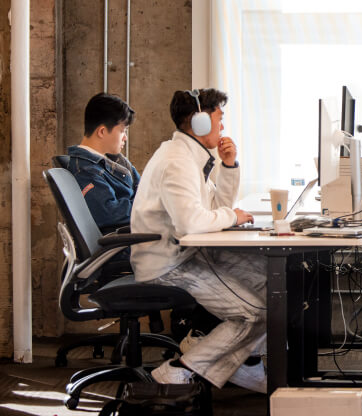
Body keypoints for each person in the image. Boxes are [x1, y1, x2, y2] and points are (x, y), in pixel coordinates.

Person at [130, 88, 267, 392]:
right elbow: (191, 223)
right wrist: (233, 217)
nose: (222, 126)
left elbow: (215, 208)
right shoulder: (177, 161)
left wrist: (228, 165)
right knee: (254, 314)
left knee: (272, 280)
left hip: (186, 253)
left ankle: (247, 363)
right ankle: (179, 369)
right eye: (219, 118)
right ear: (200, 122)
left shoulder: (189, 156)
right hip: (168, 265)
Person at [66, 92, 139, 233]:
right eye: (122, 131)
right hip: (127, 241)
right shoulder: (85, 170)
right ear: (102, 132)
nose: (125, 138)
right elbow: (109, 214)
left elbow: (144, 189)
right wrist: (150, 207)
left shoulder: (115, 161)